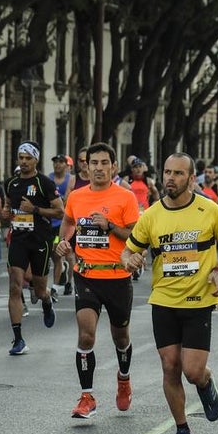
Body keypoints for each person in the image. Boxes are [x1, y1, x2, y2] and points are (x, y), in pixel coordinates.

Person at [120, 152, 218, 434]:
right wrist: (129, 260)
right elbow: (128, 251)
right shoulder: (151, 215)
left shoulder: (209, 210)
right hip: (163, 300)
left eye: (178, 173)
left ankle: (206, 382)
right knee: (170, 366)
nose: (170, 178)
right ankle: (182, 430)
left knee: (192, 371)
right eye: (167, 172)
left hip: (198, 301)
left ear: (191, 178)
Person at [56, 143, 141, 418]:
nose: (99, 168)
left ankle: (124, 379)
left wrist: (110, 226)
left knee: (121, 336)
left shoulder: (125, 197)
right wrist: (63, 242)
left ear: (114, 167)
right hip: (86, 274)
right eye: (94, 163)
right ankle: (86, 397)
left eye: (105, 163)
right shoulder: (76, 196)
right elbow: (68, 222)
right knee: (85, 334)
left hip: (117, 276)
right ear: (87, 166)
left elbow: (136, 236)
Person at [0, 142, 64, 355]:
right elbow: (8, 208)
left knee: (39, 290)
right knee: (15, 287)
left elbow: (60, 211)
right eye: (21, 158)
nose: (24, 162)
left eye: (28, 158)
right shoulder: (11, 183)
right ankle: (18, 339)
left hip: (40, 240)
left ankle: (46, 300)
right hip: (18, 239)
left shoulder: (44, 183)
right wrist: (5, 214)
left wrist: (34, 209)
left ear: (36, 160)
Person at [48, 154, 74, 291]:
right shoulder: (49, 179)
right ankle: (62, 268)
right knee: (53, 254)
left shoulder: (70, 180)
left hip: (63, 223)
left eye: (60, 162)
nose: (57, 164)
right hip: (50, 222)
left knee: (64, 253)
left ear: (66, 165)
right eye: (55, 162)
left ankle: (65, 284)